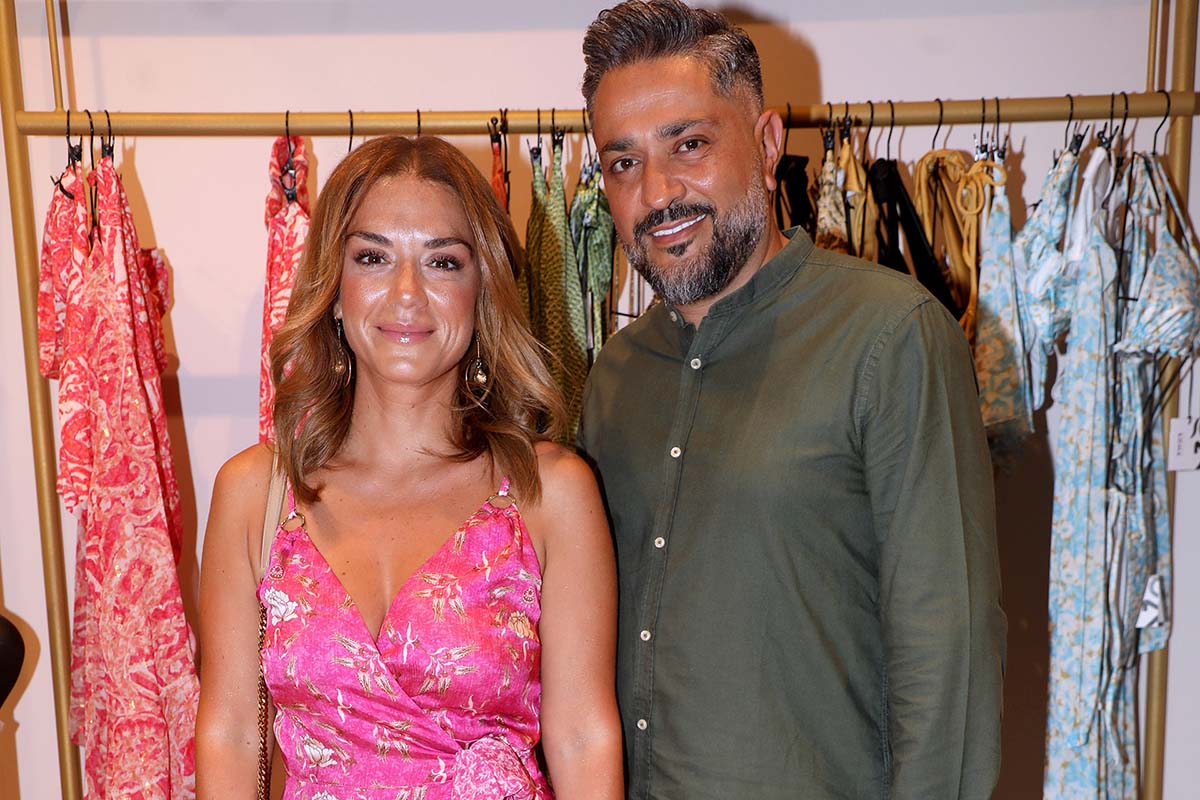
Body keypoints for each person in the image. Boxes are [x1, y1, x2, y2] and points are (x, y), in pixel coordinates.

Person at [576, 2, 1006, 798]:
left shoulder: (891, 337)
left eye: (689, 144)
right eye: (624, 162)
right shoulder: (616, 376)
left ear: (768, 144)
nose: (657, 192)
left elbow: (949, 653)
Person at [195, 135, 623, 800]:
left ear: (482, 292)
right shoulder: (256, 493)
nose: (406, 294)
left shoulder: (550, 492)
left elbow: (583, 739)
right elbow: (229, 734)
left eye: (443, 262)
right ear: (334, 289)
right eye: (372, 257)